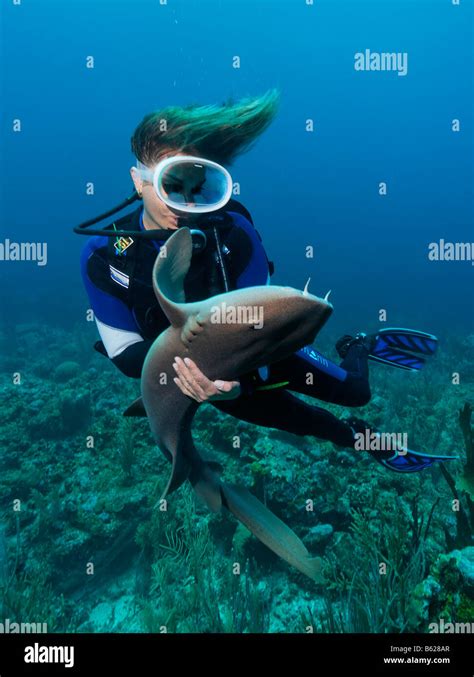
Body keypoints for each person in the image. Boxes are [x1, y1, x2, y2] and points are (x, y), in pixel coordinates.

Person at [80, 91, 450, 473]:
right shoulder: (103, 255)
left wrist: (231, 376)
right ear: (139, 181)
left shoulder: (234, 232)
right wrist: (200, 377)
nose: (184, 204)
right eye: (171, 185)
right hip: (210, 380)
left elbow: (267, 325)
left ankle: (359, 345)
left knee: (357, 392)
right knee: (310, 423)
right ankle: (362, 438)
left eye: (197, 188)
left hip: (261, 356)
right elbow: (125, 355)